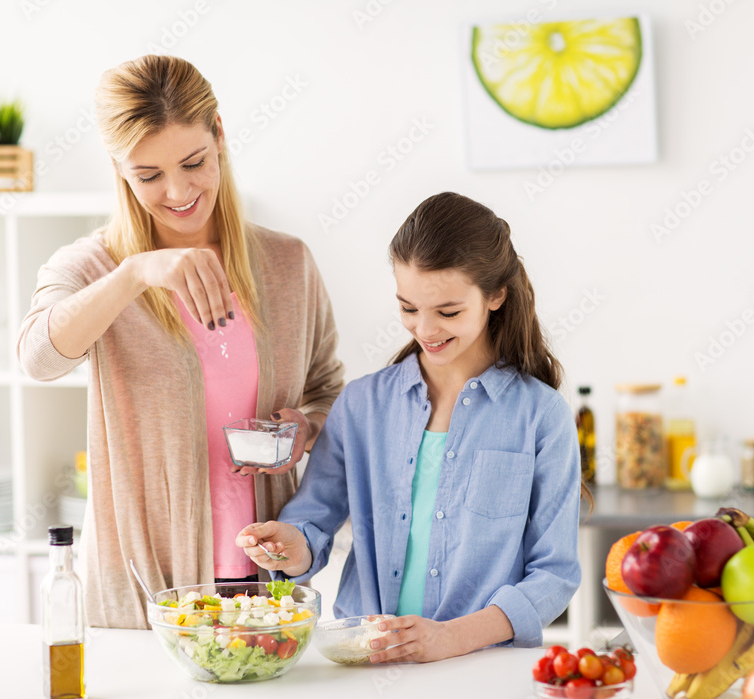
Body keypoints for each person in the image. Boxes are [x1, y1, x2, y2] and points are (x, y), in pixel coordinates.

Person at [18, 55, 344, 629]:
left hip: (264, 582)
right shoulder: (92, 268)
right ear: (119, 169)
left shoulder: (288, 263)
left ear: (219, 134)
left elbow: (328, 391)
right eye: (149, 175)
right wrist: (135, 274)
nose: (177, 191)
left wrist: (306, 430)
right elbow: (37, 359)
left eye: (193, 163)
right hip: (146, 589)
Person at [238, 192, 589, 661]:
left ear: (496, 295)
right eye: (408, 308)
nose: (425, 329)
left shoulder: (541, 416)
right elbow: (312, 525)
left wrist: (450, 638)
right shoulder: (361, 405)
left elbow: (554, 575)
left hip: (480, 668)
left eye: (448, 312)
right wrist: (289, 548)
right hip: (365, 662)